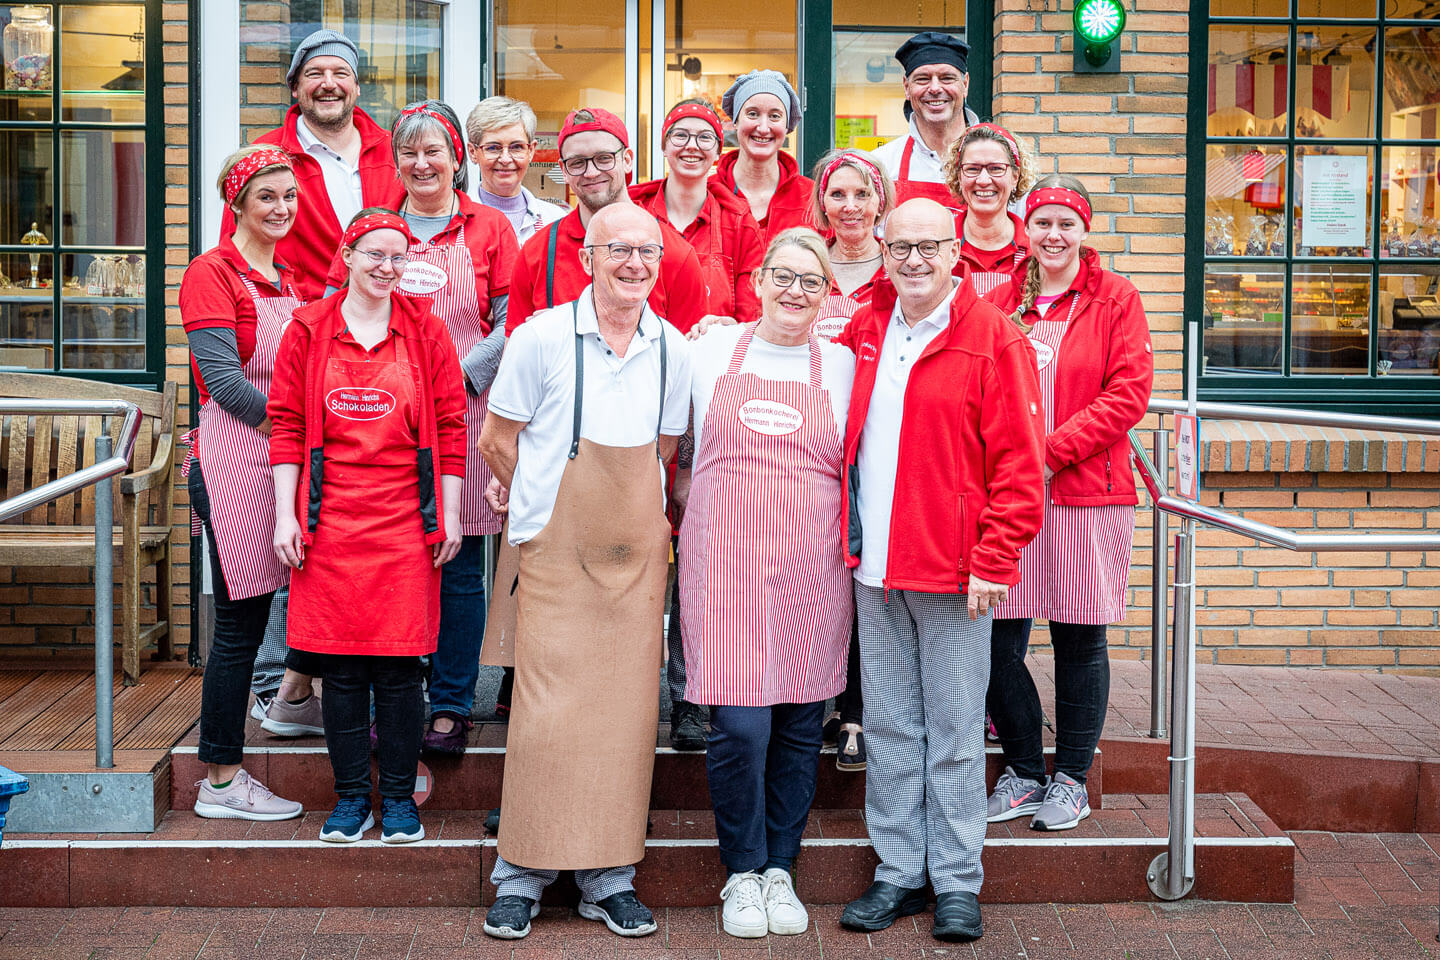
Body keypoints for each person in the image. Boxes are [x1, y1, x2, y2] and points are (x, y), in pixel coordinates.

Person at [476, 204, 691, 940]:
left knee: (626, 721)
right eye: (620, 251)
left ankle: (609, 878)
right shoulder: (541, 338)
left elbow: (664, 454)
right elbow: (496, 438)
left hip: (635, 564)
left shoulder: (674, 349)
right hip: (554, 554)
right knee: (544, 714)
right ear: (588, 256)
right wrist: (534, 504)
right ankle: (521, 877)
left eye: (648, 252)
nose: (635, 265)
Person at [834, 198, 1044, 943]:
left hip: (956, 572)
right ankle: (898, 872)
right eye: (900, 248)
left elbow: (1022, 464)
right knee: (891, 728)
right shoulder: (866, 328)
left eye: (929, 247)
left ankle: (956, 882)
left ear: (958, 252)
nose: (914, 260)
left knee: (954, 731)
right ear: (882, 253)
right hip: (875, 570)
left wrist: (994, 557)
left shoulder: (993, 337)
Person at [324, 100, 520, 754]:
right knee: (401, 560)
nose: (422, 162)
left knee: (459, 563)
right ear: (396, 162)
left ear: (456, 157)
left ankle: (454, 701)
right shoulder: (376, 230)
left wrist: (458, 377)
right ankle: (402, 693)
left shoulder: (490, 228)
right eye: (409, 151)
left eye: (434, 149)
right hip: (387, 422)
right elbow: (340, 311)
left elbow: (510, 322)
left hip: (466, 413)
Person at [268, 209, 468, 844]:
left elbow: (453, 426)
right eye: (374, 254)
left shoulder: (427, 331)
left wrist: (453, 513)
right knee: (343, 671)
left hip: (407, 521)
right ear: (347, 254)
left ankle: (401, 801)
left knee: (402, 668)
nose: (387, 267)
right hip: (329, 521)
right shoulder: (307, 329)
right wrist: (284, 515)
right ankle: (352, 797)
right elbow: (287, 428)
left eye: (398, 256)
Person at [678, 228, 854, 939]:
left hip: (811, 569)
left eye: (811, 282)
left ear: (826, 295)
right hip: (724, 566)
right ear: (758, 280)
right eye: (784, 276)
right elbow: (672, 449)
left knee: (798, 726)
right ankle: (742, 872)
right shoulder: (708, 350)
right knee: (741, 727)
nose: (794, 292)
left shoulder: (841, 365)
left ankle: (781, 867)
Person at [982, 176, 1153, 831]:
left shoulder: (1116, 300)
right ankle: (1024, 771)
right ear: (1027, 227)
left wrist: (1047, 452)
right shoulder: (1000, 302)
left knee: (1080, 639)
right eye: (1043, 222)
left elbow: (1127, 393)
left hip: (1087, 494)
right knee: (997, 641)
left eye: (1066, 224)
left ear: (1083, 230)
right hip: (1012, 497)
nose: (1053, 235)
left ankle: (1071, 779)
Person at [183, 146, 315, 822]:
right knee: (238, 627)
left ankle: (293, 700)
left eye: (288, 197)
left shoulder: (283, 275)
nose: (281, 208)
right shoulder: (213, 273)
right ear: (236, 202)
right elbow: (224, 382)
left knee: (288, 604)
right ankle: (221, 778)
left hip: (281, 459)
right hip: (237, 457)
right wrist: (294, 431)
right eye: (266, 196)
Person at [632, 97, 766, 751]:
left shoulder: (736, 217)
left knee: (698, 549)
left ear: (721, 150)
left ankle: (691, 697)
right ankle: (627, 691)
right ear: (663, 143)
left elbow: (753, 301)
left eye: (703, 137)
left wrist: (728, 326)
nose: (691, 145)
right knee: (631, 536)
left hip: (705, 405)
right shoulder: (634, 206)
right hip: (631, 396)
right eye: (679, 134)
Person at [222, 29, 397, 300]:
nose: (328, 84)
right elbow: (234, 250)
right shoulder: (263, 157)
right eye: (314, 74)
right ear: (294, 88)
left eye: (341, 73)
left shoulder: (395, 151)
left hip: (384, 325)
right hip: (297, 325)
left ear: (357, 87)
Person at [506, 106, 708, 333]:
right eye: (577, 163)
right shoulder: (537, 253)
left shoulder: (675, 254)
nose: (591, 172)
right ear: (563, 170)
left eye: (604, 158)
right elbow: (514, 356)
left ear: (627, 160)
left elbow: (689, 358)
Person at [871, 32, 978, 211]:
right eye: (923, 79)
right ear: (906, 87)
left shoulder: (999, 163)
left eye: (947, 78)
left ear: (965, 84)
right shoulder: (881, 166)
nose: (935, 88)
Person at [712, 70, 814, 244]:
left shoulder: (811, 197)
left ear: (787, 125)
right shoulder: (707, 194)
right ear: (735, 121)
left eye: (775, 116)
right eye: (752, 114)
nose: (764, 128)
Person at [944, 123, 1035, 297]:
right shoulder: (938, 245)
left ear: (1015, 177)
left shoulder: (1035, 248)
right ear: (959, 177)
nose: (984, 180)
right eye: (972, 169)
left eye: (996, 169)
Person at [466, 96, 568, 244]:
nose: (505, 159)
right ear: (473, 152)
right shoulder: (455, 220)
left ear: (531, 150)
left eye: (517, 147)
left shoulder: (554, 220)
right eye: (493, 148)